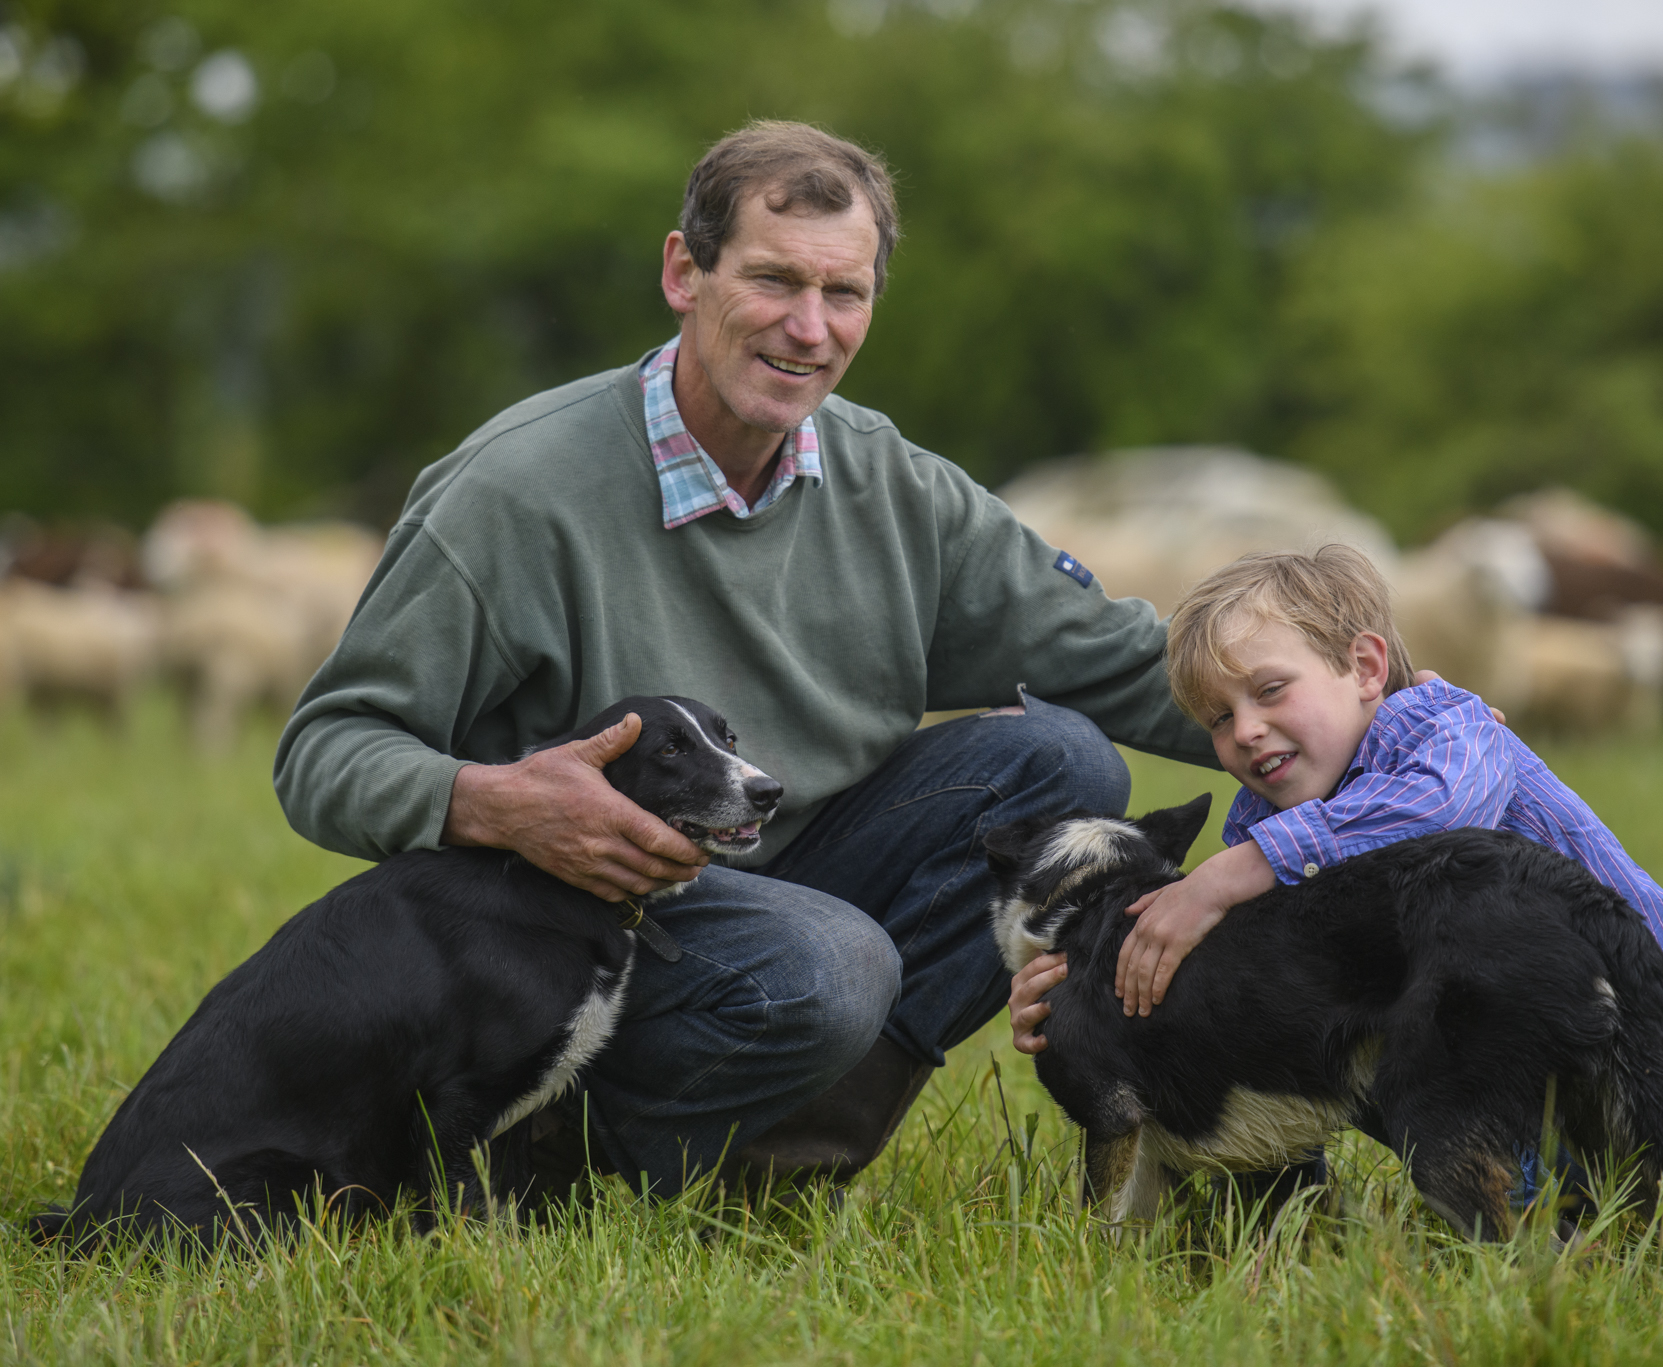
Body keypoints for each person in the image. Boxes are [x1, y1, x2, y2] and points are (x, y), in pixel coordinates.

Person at [273, 120, 1214, 1200]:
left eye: (843, 292)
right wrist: (494, 801)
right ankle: (546, 1144)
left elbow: (1125, 661)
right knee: (830, 963)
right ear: (684, 270)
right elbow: (324, 749)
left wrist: (1384, 722)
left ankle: (768, 1162)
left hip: (793, 877)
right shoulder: (514, 493)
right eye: (771, 279)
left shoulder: (895, 487)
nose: (808, 327)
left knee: (1063, 764)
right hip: (571, 916)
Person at [1006, 543, 1663, 1208]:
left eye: (1269, 689)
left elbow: (1440, 808)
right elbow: (1247, 976)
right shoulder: (1263, 815)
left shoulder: (1449, 727)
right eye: (1219, 719)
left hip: (1582, 981)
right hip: (1445, 1008)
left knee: (1608, 1159)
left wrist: (1234, 873)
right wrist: (1084, 1003)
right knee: (1369, 1046)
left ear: (1365, 669)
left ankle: (1570, 1211)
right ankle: (1342, 1201)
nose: (1246, 730)